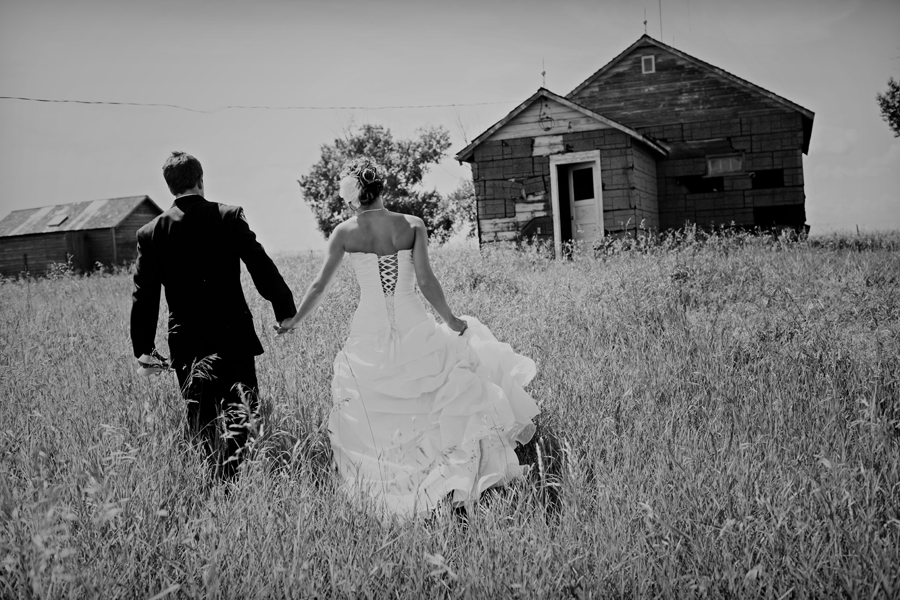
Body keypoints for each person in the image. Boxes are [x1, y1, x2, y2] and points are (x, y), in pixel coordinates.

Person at [276, 157, 539, 517]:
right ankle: (445, 478)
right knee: (434, 393)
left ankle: (390, 479)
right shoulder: (412, 224)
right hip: (414, 320)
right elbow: (427, 282)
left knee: (375, 406)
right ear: (383, 188)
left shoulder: (344, 232)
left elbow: (319, 285)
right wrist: (452, 321)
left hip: (369, 327)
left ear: (354, 197)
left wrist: (293, 321)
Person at [131, 151, 296, 480]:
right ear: (201, 180)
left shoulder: (150, 233)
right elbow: (259, 264)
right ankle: (232, 479)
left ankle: (215, 482)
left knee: (201, 418)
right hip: (232, 333)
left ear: (169, 186)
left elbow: (144, 295)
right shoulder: (227, 216)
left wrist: (144, 349)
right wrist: (284, 310)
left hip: (186, 342)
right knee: (241, 413)